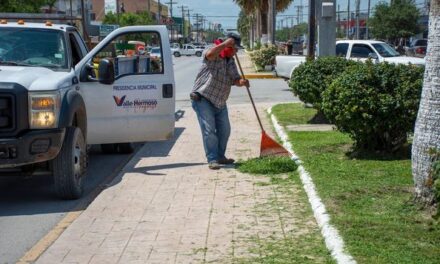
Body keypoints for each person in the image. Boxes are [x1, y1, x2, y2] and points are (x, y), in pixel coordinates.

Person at [190, 33, 249, 170]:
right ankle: (212, 159)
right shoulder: (212, 51)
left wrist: (242, 82)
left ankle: (220, 156)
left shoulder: (231, 61)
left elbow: (235, 79)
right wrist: (224, 44)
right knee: (209, 130)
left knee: (225, 130)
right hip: (202, 98)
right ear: (228, 46)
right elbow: (210, 55)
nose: (236, 52)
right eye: (234, 49)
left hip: (220, 101)